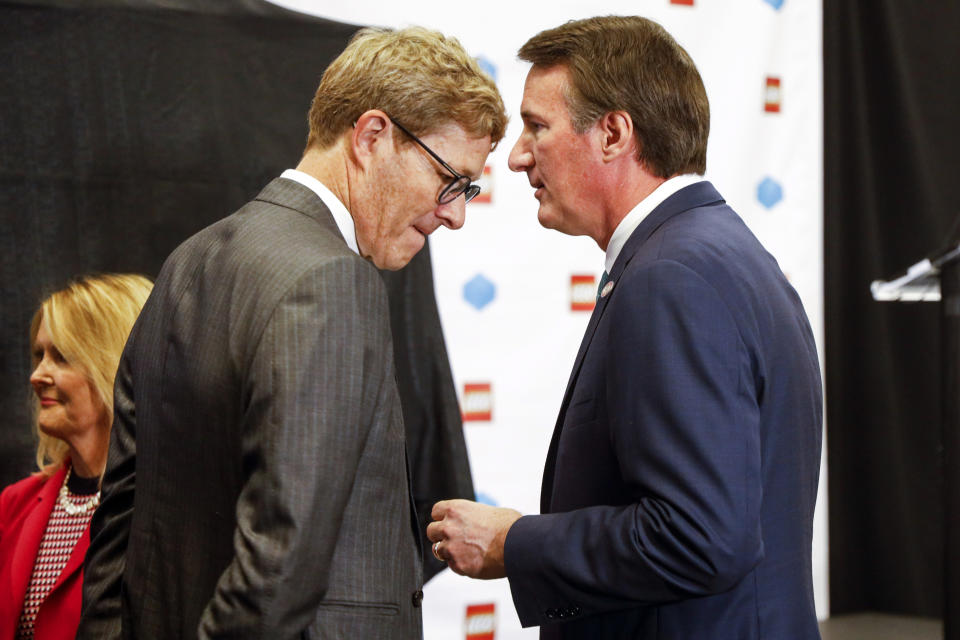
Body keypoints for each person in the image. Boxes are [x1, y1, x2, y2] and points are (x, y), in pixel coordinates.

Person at [77, 26, 506, 640]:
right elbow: (280, 563)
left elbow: (116, 528)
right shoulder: (334, 279)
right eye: (451, 179)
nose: (457, 214)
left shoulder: (187, 261)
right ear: (372, 136)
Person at [427, 15, 822, 639]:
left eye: (536, 126)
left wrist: (515, 543)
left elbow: (699, 538)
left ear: (613, 133)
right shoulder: (718, 254)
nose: (518, 155)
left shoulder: (675, 276)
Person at [0, 274, 152, 640]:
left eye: (62, 357)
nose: (37, 375)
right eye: (39, 355)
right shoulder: (13, 505)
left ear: (116, 367)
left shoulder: (159, 509)